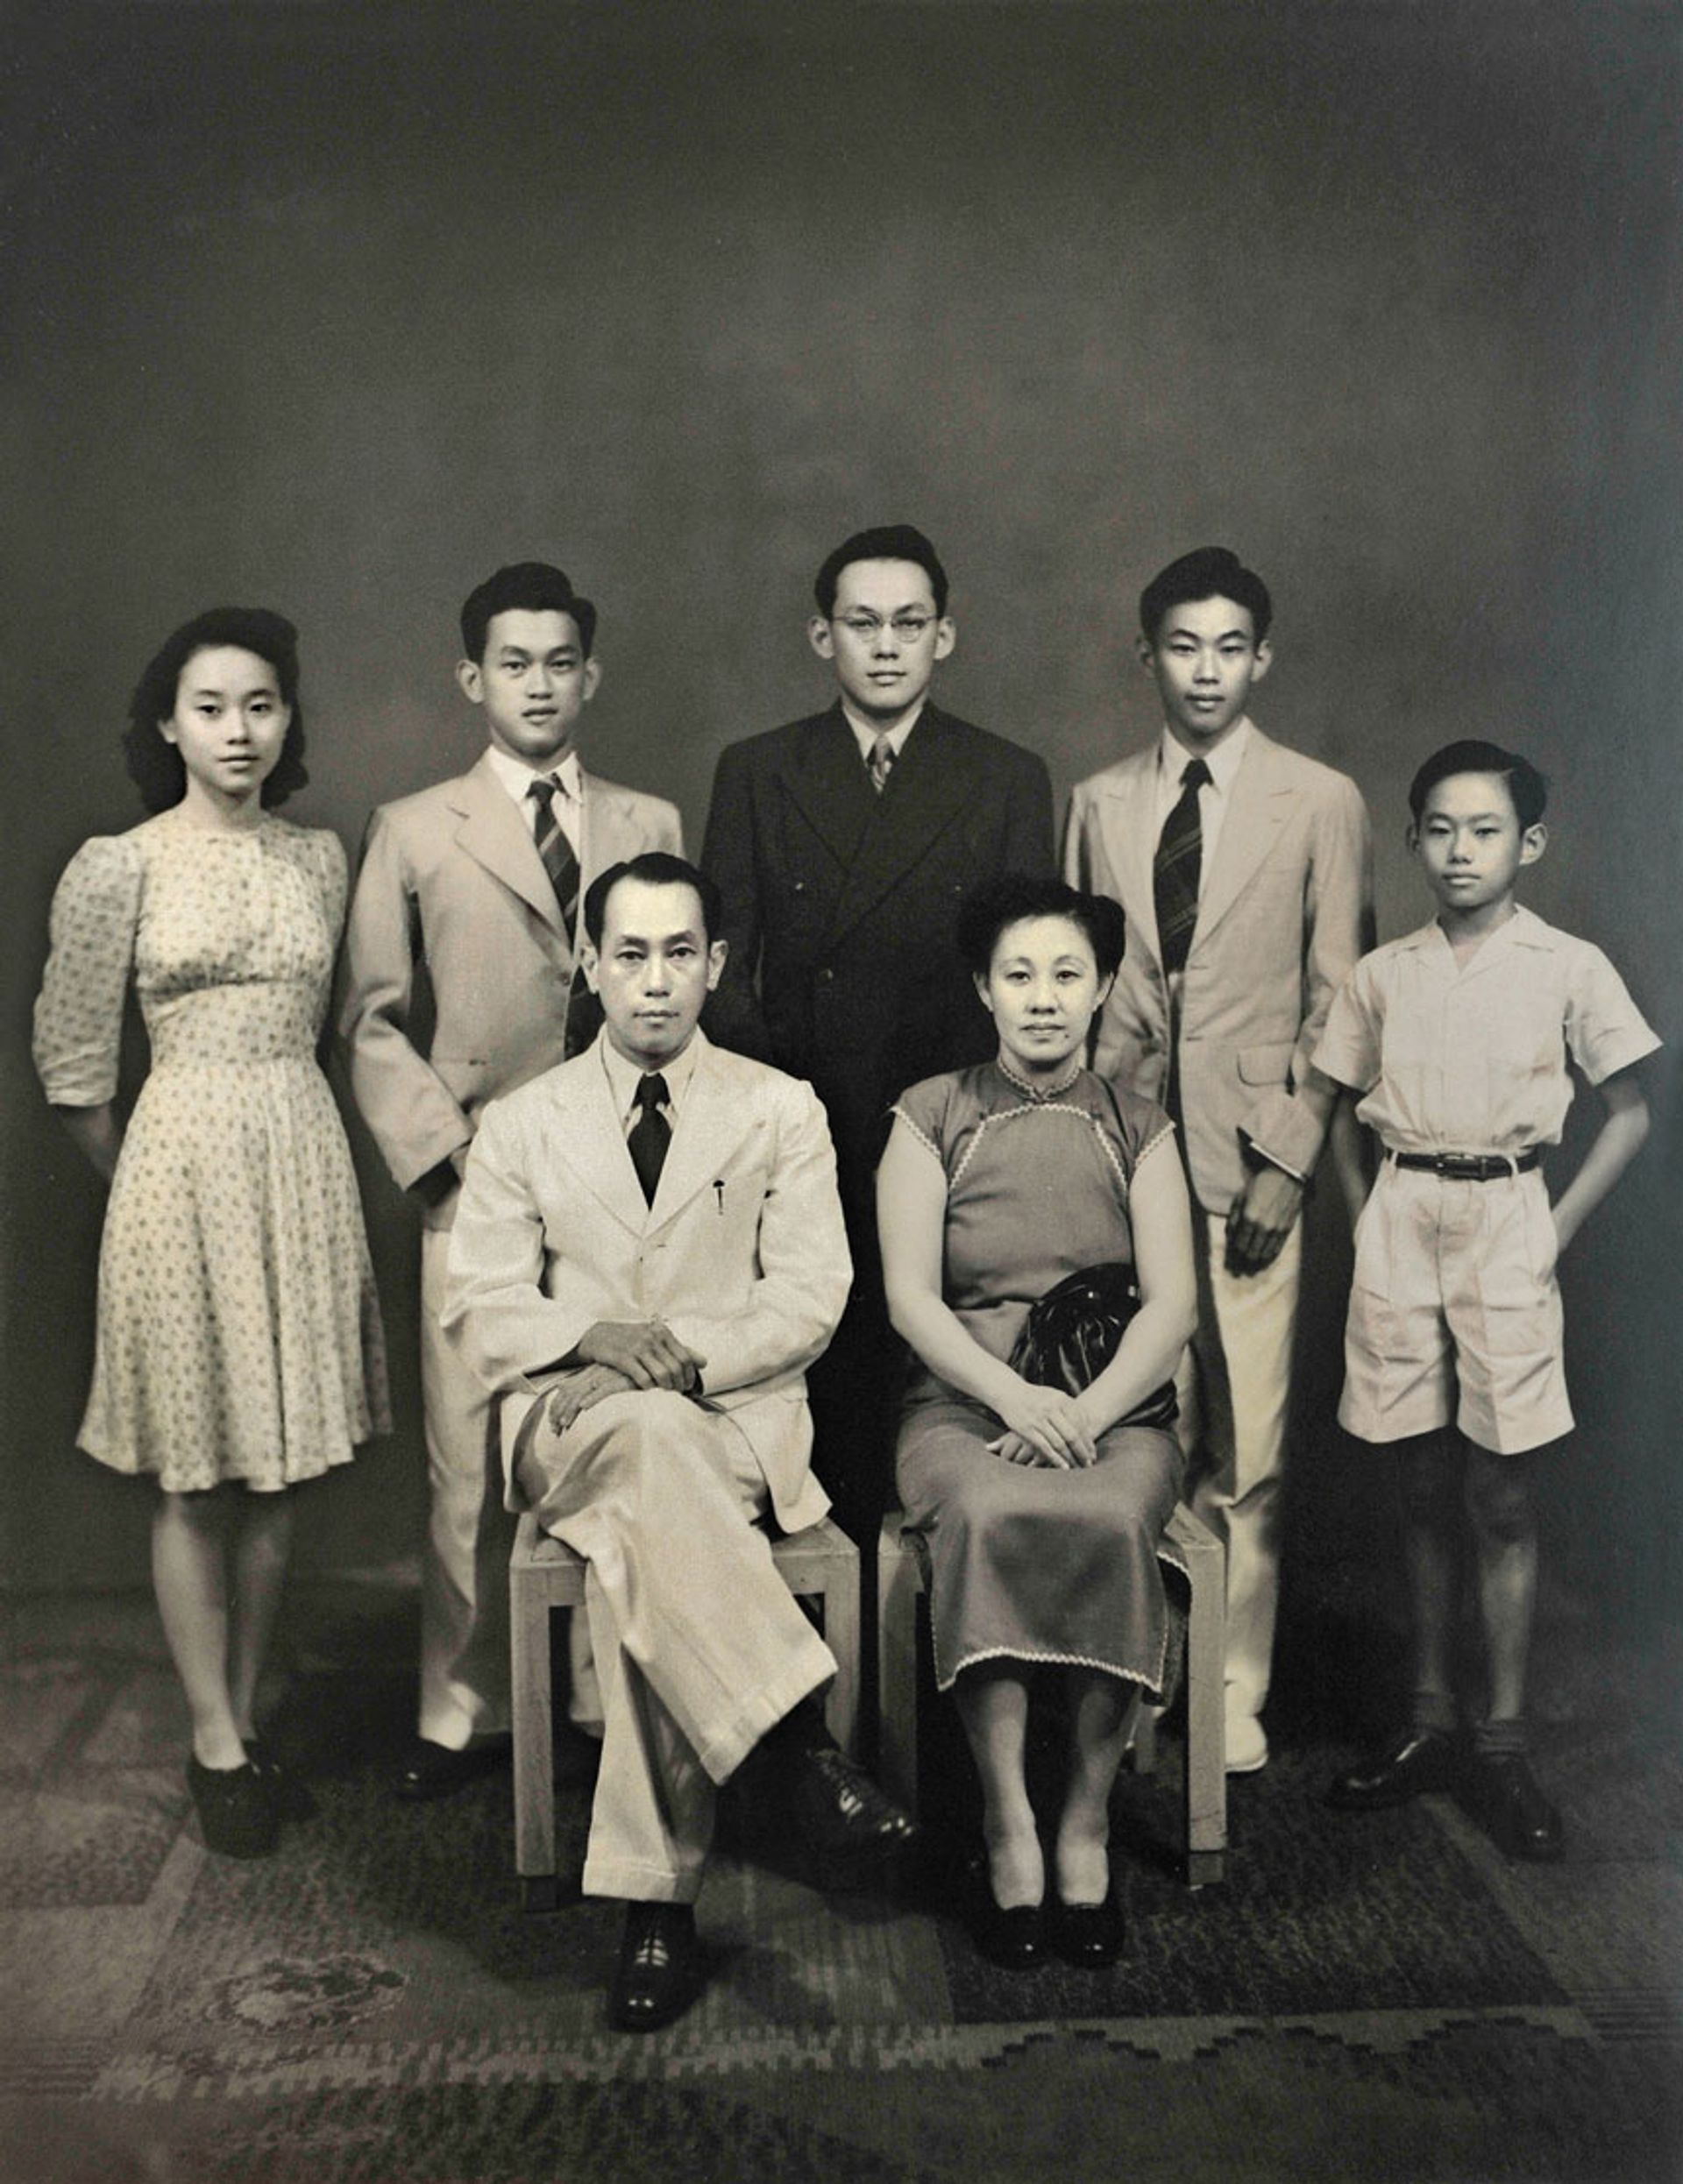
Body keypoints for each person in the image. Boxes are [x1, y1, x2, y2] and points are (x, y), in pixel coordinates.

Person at [443, 852, 915, 2032]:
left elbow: (813, 1293)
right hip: (569, 1421)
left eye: (678, 955)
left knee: (649, 1513)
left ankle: (658, 1906)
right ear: (589, 966)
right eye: (629, 954)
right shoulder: (520, 1123)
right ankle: (792, 1748)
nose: (654, 982)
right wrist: (595, 1337)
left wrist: (686, 1359)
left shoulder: (778, 1107)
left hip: (734, 1422)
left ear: (713, 966)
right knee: (640, 1449)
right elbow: (480, 1303)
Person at [32, 607, 389, 1858]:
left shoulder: (321, 858)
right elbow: (75, 1069)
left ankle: (250, 1713)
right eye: (211, 707)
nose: (238, 730)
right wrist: (151, 1177)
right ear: (168, 724)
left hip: (297, 1157)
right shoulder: (117, 864)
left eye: (261, 705)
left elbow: (340, 1022)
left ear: (287, 719)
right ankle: (214, 1740)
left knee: (279, 1469)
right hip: (174, 1170)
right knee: (195, 1473)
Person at [337, 563, 682, 1802]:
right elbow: (371, 1019)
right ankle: (465, 1704)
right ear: (473, 678)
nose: (539, 685)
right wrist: (441, 1164)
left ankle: (597, 1696)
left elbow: (671, 1001)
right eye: (513, 664)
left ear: (590, 675)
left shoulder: (647, 824)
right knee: (467, 1454)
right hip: (475, 1175)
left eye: (560, 663)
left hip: (611, 1180)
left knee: (600, 1428)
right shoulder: (417, 827)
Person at [1317, 742, 1658, 1859]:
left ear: (1529, 843)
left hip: (1512, 1216)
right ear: (1414, 838)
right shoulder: (1385, 970)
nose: (1462, 852)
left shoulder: (1568, 964)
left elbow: (1631, 1111)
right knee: (1415, 1476)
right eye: (1441, 830)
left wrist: (1551, 1228)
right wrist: (1373, 1212)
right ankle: (1428, 1719)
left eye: (1487, 831)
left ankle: (1504, 1741)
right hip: (1406, 1215)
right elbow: (1335, 1104)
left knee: (1500, 1489)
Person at [1063, 546, 1372, 1773]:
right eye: (1182, 646)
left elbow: (1343, 995)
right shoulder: (1098, 802)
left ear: (1263, 658)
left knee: (1249, 1439)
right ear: (1149, 658)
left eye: (1229, 646)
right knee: (1144, 1420)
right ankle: (1141, 1677)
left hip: (1255, 1162)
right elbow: (1076, 985)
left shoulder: (1321, 799)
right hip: (1129, 1150)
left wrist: (1291, 1157)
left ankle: (1231, 1685)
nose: (1205, 670)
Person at [701, 525, 1055, 1536]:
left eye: (911, 623)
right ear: (823, 638)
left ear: (946, 636)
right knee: (817, 1382)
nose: (888, 644)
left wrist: (972, 1117)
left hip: (958, 1128)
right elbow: (724, 969)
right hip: (807, 1125)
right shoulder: (759, 769)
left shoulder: (1006, 775)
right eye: (863, 624)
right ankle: (832, 1650)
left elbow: (1029, 975)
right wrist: (788, 1108)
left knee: (956, 1376)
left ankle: (952, 1649)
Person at [877, 876, 1198, 1968]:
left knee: (1114, 1515)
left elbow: (1174, 1304)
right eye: (1020, 975)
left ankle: (1086, 1816)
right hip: (964, 1401)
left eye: (1069, 975)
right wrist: (1012, 1399)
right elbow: (912, 1298)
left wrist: (1087, 1413)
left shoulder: (1140, 1126)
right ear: (983, 987)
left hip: (1117, 1402)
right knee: (983, 1503)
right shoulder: (929, 1116)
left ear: (1105, 986)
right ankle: (1009, 1811)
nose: (1045, 999)